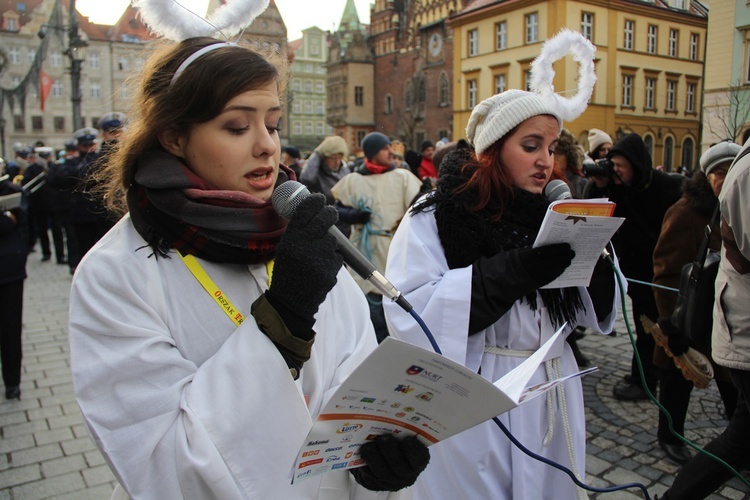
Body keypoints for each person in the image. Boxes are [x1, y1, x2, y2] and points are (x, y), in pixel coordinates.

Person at [68, 36, 428, 499]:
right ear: (174, 136)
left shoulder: (297, 236)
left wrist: (375, 460)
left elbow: (351, 382)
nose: (267, 147)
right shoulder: (115, 274)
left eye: (274, 125)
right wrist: (285, 316)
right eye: (237, 127)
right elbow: (163, 462)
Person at [383, 89, 622, 499]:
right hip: (478, 393)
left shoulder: (553, 216)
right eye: (531, 146)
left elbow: (582, 313)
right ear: (493, 148)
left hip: (551, 387)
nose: (546, 160)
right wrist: (509, 274)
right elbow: (411, 312)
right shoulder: (437, 213)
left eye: (550, 147)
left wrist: (598, 271)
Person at [662, 138, 750, 499]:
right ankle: (669, 435)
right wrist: (669, 323)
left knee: (740, 423)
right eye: (717, 172)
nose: (722, 177)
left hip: (724, 322)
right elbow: (666, 271)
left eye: (726, 170)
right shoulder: (686, 211)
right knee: (678, 383)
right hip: (700, 319)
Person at [606, 133, 684, 402]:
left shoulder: (667, 188)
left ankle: (646, 382)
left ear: (636, 165)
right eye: (612, 164)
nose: (615, 170)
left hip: (659, 276)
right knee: (645, 328)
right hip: (636, 276)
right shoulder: (621, 188)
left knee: (652, 330)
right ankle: (646, 374)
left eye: (620, 165)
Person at [331, 132, 422, 343]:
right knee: (368, 304)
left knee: (396, 300)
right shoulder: (352, 180)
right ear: (372, 152)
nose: (391, 152)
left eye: (391, 147)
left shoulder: (403, 177)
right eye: (385, 148)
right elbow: (336, 210)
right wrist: (354, 216)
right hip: (364, 250)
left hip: (394, 249)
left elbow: (419, 208)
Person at [298, 135, 364, 237]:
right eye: (333, 158)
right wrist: (318, 152)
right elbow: (307, 178)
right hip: (323, 227)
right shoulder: (317, 174)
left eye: (340, 158)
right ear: (324, 157)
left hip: (345, 226)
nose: (337, 162)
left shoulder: (345, 171)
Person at [0, 161, 28, 400]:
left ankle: (12, 381)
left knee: (10, 328)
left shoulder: (11, 190)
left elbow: (18, 224)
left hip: (9, 268)